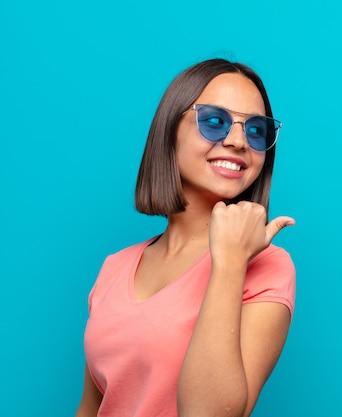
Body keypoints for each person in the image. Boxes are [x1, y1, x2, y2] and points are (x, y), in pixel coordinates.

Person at [75, 58, 296, 417]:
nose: (238, 141)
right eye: (214, 121)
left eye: (256, 130)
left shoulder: (267, 266)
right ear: (169, 130)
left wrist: (228, 262)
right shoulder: (114, 269)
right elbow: (90, 408)